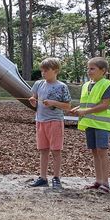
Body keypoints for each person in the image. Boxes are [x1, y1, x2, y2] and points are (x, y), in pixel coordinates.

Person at [69, 57, 110, 194]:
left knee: (102, 151)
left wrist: (85, 111)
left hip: (102, 124)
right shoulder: (86, 85)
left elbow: (105, 104)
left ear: (103, 71)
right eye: (88, 68)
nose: (89, 71)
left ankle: (106, 183)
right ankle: (98, 181)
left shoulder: (107, 84)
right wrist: (78, 108)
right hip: (90, 123)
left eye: (92, 68)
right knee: (95, 152)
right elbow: (88, 103)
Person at [28, 58, 71, 190]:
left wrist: (53, 103)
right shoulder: (38, 84)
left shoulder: (62, 86)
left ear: (55, 71)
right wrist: (32, 101)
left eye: (46, 70)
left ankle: (56, 178)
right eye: (42, 70)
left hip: (55, 121)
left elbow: (68, 106)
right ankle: (43, 178)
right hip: (40, 121)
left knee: (56, 150)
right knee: (43, 150)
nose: (43, 73)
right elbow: (33, 98)